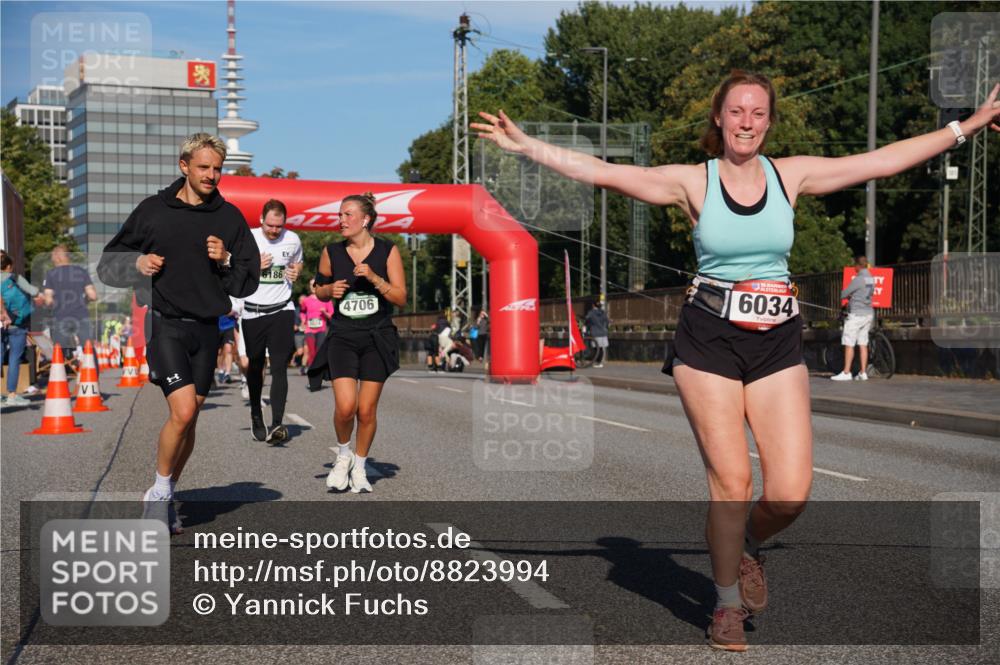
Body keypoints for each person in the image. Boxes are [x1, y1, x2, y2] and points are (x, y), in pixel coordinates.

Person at [474, 74, 1000, 651]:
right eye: (735, 111)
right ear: (718, 118)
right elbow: (602, 172)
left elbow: (880, 160)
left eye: (757, 112)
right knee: (732, 480)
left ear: (769, 121)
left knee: (791, 492)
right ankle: (725, 605)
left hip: (777, 342)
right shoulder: (691, 182)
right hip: (709, 340)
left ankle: (748, 543)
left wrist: (967, 127)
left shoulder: (790, 175)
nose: (746, 122)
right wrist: (528, 147)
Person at [97, 132, 260, 532]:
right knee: (183, 411)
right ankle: (157, 494)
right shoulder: (153, 211)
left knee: (189, 420)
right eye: (204, 167)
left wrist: (226, 259)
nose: (211, 175)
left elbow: (248, 280)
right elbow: (107, 264)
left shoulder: (229, 218)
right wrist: (136, 264)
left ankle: (167, 491)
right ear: (184, 165)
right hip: (166, 323)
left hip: (207, 330)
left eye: (217, 169)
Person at [310, 193, 406, 493]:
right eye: (340, 214)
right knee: (345, 407)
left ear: (365, 219)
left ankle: (360, 467)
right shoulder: (331, 252)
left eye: (347, 214)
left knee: (366, 410)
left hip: (377, 336)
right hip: (343, 336)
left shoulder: (387, 251)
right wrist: (329, 291)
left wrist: (375, 278)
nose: (341, 220)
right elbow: (318, 289)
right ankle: (343, 455)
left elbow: (401, 298)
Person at [241, 199, 303, 444]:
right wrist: (254, 265)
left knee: (279, 366)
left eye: (279, 226)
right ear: (261, 220)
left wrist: (297, 271)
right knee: (256, 365)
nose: (275, 230)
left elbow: (297, 262)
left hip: (282, 309)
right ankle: (256, 414)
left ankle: (277, 423)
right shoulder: (248, 238)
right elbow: (232, 270)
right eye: (270, 225)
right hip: (253, 311)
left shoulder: (293, 239)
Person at [1, 249, 43, 407]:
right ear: (8, 266)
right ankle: (12, 395)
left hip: (1, 322)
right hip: (17, 323)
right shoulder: (15, 278)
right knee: (14, 358)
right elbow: (34, 291)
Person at [42, 244, 98, 361]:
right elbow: (92, 296)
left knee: (59, 352)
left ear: (57, 257)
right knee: (88, 349)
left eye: (52, 257)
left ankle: (63, 371)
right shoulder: (81, 271)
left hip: (60, 317)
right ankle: (93, 371)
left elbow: (48, 300)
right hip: (81, 315)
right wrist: (84, 301)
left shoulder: (51, 274)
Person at [832, 256, 876, 381]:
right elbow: (869, 293)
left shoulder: (858, 279)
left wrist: (850, 296)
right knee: (863, 343)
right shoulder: (870, 278)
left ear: (858, 266)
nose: (853, 268)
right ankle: (863, 372)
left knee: (849, 342)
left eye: (854, 265)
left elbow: (844, 294)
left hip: (856, 314)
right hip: (868, 313)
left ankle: (846, 372)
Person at [300, 280, 333, 372]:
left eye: (315, 284)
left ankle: (320, 370)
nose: (313, 286)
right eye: (311, 285)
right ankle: (312, 371)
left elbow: (331, 315)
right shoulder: (306, 300)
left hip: (321, 330)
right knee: (311, 351)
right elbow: (302, 312)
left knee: (319, 351)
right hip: (309, 330)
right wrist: (303, 320)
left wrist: (324, 312)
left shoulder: (326, 300)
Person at [584, 300, 610, 368]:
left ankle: (597, 362)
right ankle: (599, 362)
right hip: (603, 333)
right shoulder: (603, 312)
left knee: (596, 348)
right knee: (601, 348)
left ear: (593, 305)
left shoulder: (591, 313)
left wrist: (587, 325)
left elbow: (586, 320)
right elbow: (607, 321)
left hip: (595, 332)